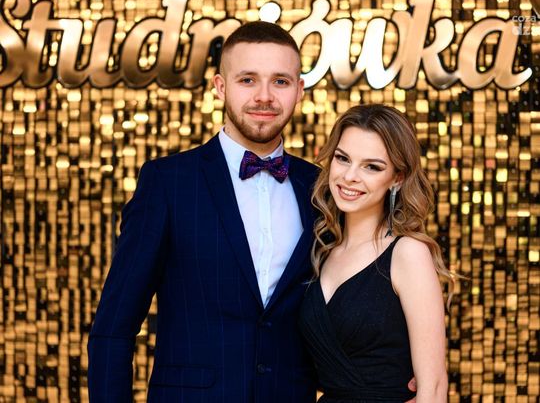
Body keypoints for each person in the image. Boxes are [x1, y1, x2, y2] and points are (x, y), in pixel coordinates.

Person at [87, 21, 319, 402]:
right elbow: (114, 327)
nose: (264, 96)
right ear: (220, 87)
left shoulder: (321, 188)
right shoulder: (167, 183)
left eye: (280, 81)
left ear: (299, 90)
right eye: (248, 80)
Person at [299, 104, 452, 403]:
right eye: (343, 159)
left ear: (398, 178)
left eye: (372, 167)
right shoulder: (321, 250)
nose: (349, 176)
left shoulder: (408, 253)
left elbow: (433, 388)